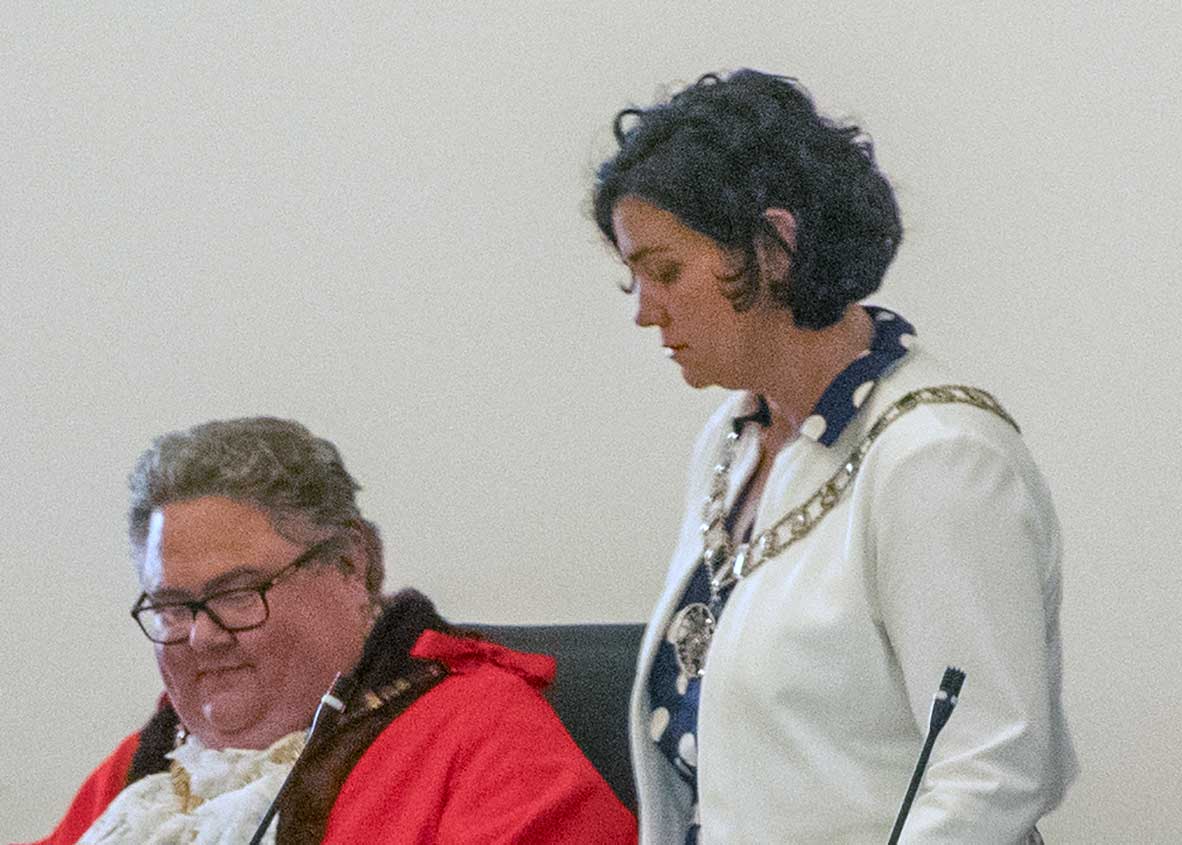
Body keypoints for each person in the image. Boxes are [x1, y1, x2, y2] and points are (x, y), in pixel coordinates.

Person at [593, 69, 1075, 844]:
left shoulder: (939, 458)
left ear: (774, 247)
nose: (646, 311)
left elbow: (992, 772)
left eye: (666, 271)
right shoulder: (730, 440)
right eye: (635, 280)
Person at [31, 417, 636, 844]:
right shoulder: (148, 764)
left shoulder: (476, 733)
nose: (201, 638)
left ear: (351, 563)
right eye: (173, 608)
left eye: (237, 595)